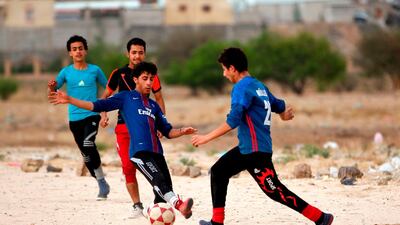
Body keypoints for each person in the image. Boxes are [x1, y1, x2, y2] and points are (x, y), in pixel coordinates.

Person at [191, 47, 334, 225]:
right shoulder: (259, 86)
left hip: (254, 151)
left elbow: (234, 120)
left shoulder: (241, 88)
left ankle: (321, 218)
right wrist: (283, 114)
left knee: (275, 191)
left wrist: (206, 138)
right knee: (219, 172)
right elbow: (279, 105)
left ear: (233, 68)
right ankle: (217, 222)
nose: (224, 74)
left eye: (224, 69)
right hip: (251, 149)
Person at [49, 61, 195, 219]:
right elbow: (96, 105)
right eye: (145, 78)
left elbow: (167, 131)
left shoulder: (154, 106)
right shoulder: (126, 97)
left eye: (151, 79)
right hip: (140, 152)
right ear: (136, 80)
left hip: (157, 153)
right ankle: (180, 205)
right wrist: (70, 99)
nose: (149, 82)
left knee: (163, 191)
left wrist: (182, 131)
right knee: (159, 181)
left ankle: (148, 212)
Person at [100, 37, 165, 216]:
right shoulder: (118, 73)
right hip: (123, 128)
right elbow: (105, 97)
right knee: (128, 168)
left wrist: (160, 123)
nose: (137, 56)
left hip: (145, 127)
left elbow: (159, 99)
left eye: (141, 52)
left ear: (145, 53)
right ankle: (137, 206)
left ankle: (159, 202)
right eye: (134, 52)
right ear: (127, 53)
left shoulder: (151, 75)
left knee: (152, 166)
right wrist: (104, 116)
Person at [47, 35, 110, 201]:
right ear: (70, 53)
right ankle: (101, 180)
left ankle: (102, 183)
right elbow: (54, 93)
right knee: (86, 154)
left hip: (92, 114)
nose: (78, 51)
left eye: (80, 48)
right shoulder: (66, 72)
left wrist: (103, 110)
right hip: (74, 118)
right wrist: (52, 87)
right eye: (74, 49)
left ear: (86, 50)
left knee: (88, 144)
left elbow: (109, 88)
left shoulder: (95, 70)